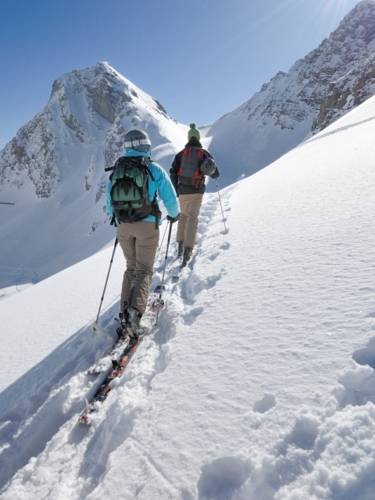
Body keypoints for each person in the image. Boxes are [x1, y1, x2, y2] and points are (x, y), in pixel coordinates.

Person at [106, 129, 179, 335]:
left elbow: (109, 203)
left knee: (131, 268)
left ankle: (124, 312)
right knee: (144, 270)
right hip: (147, 226)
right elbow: (170, 197)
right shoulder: (153, 168)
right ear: (146, 146)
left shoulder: (116, 170)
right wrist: (174, 215)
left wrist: (118, 218)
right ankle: (135, 315)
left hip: (123, 226)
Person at [170, 123, 219, 266]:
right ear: (198, 138)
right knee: (193, 219)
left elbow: (173, 172)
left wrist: (176, 189)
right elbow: (215, 173)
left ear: (188, 138)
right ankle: (188, 250)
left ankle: (180, 245)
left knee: (183, 217)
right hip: (197, 192)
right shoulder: (204, 153)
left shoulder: (180, 155)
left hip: (182, 192)